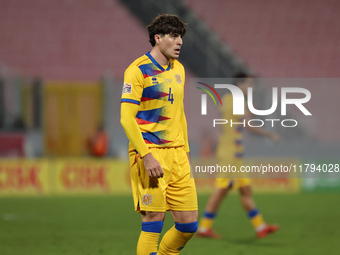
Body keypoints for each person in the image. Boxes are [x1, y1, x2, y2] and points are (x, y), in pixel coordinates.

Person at [120, 14, 198, 255]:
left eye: (181, 37)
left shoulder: (179, 70)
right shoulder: (137, 70)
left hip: (178, 155)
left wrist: (185, 150)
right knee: (153, 222)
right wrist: (146, 155)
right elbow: (126, 118)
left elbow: (179, 112)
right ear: (158, 38)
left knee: (188, 224)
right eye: (174, 36)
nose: (179, 42)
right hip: (150, 154)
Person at [197, 72, 280, 239]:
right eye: (250, 84)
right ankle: (204, 228)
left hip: (233, 154)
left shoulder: (229, 99)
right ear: (240, 84)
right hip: (230, 155)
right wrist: (269, 134)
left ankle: (260, 227)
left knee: (245, 190)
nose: (252, 88)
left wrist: (248, 113)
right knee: (221, 190)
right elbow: (247, 124)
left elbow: (236, 119)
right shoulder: (236, 100)